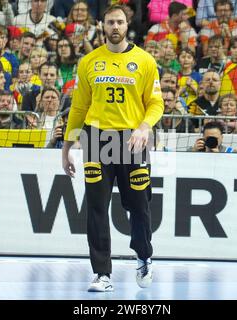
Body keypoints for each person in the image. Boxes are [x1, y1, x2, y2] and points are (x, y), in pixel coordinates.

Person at [62, 4, 164, 292]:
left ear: (127, 24)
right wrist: (66, 146)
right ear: (102, 26)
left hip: (133, 140)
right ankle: (102, 274)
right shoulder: (89, 62)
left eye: (120, 22)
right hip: (96, 139)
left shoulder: (144, 61)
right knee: (95, 207)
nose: (115, 27)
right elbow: (79, 107)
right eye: (110, 22)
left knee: (139, 207)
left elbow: (156, 103)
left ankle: (144, 256)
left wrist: (144, 127)